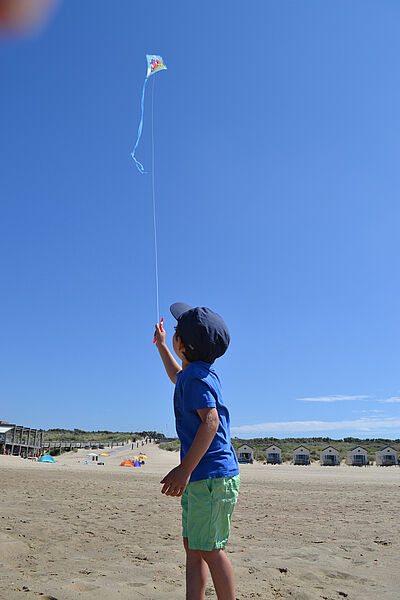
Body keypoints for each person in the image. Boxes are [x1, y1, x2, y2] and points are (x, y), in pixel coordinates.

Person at [154, 303, 240, 600]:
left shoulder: (198, 379)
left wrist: (184, 469)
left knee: (210, 549)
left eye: (175, 333)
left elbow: (211, 421)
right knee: (193, 546)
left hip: (211, 476)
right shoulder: (195, 374)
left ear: (183, 344)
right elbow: (176, 375)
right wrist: (162, 346)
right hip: (201, 476)